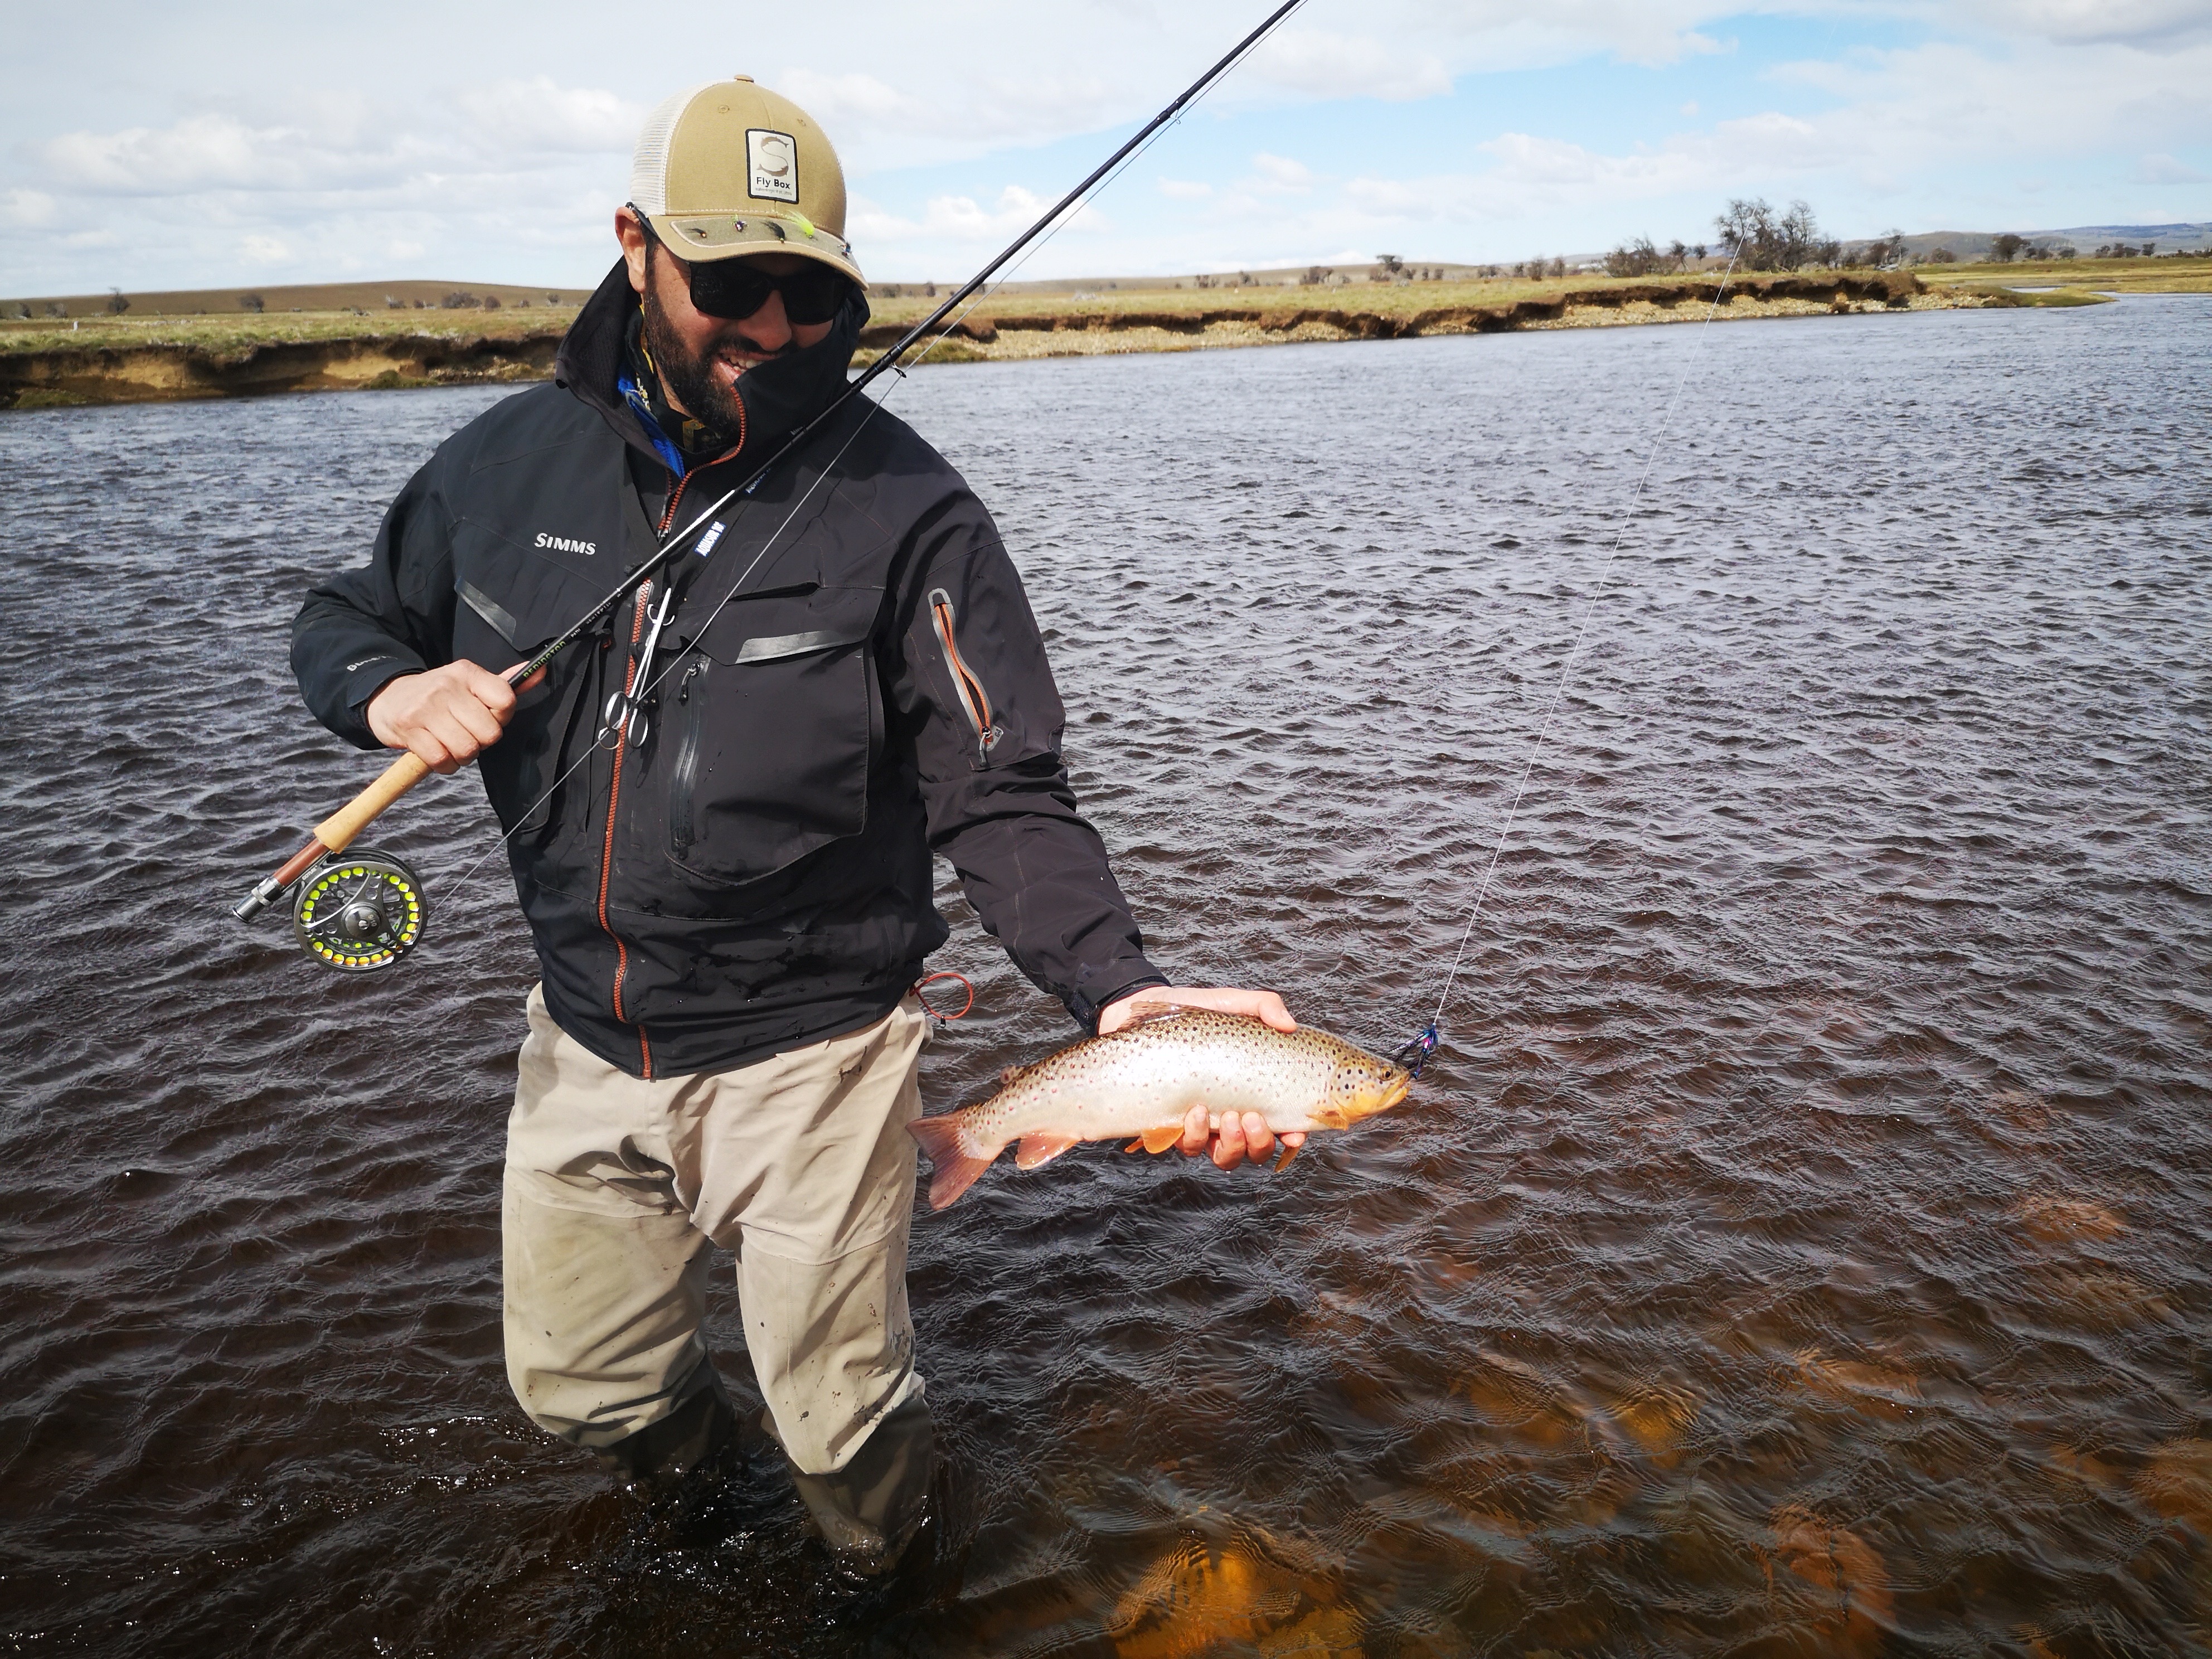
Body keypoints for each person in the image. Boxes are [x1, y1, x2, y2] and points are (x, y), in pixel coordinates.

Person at [289, 77, 1299, 1573]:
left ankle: (897, 1590)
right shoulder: (501, 467)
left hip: (817, 1054)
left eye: (812, 291)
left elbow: (1004, 789)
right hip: (584, 1037)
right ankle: (710, 1536)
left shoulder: (913, 512)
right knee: (584, 1396)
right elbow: (343, 620)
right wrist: (390, 693)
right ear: (633, 246)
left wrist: (1120, 994)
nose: (773, 327)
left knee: (844, 1426)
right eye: (731, 282)